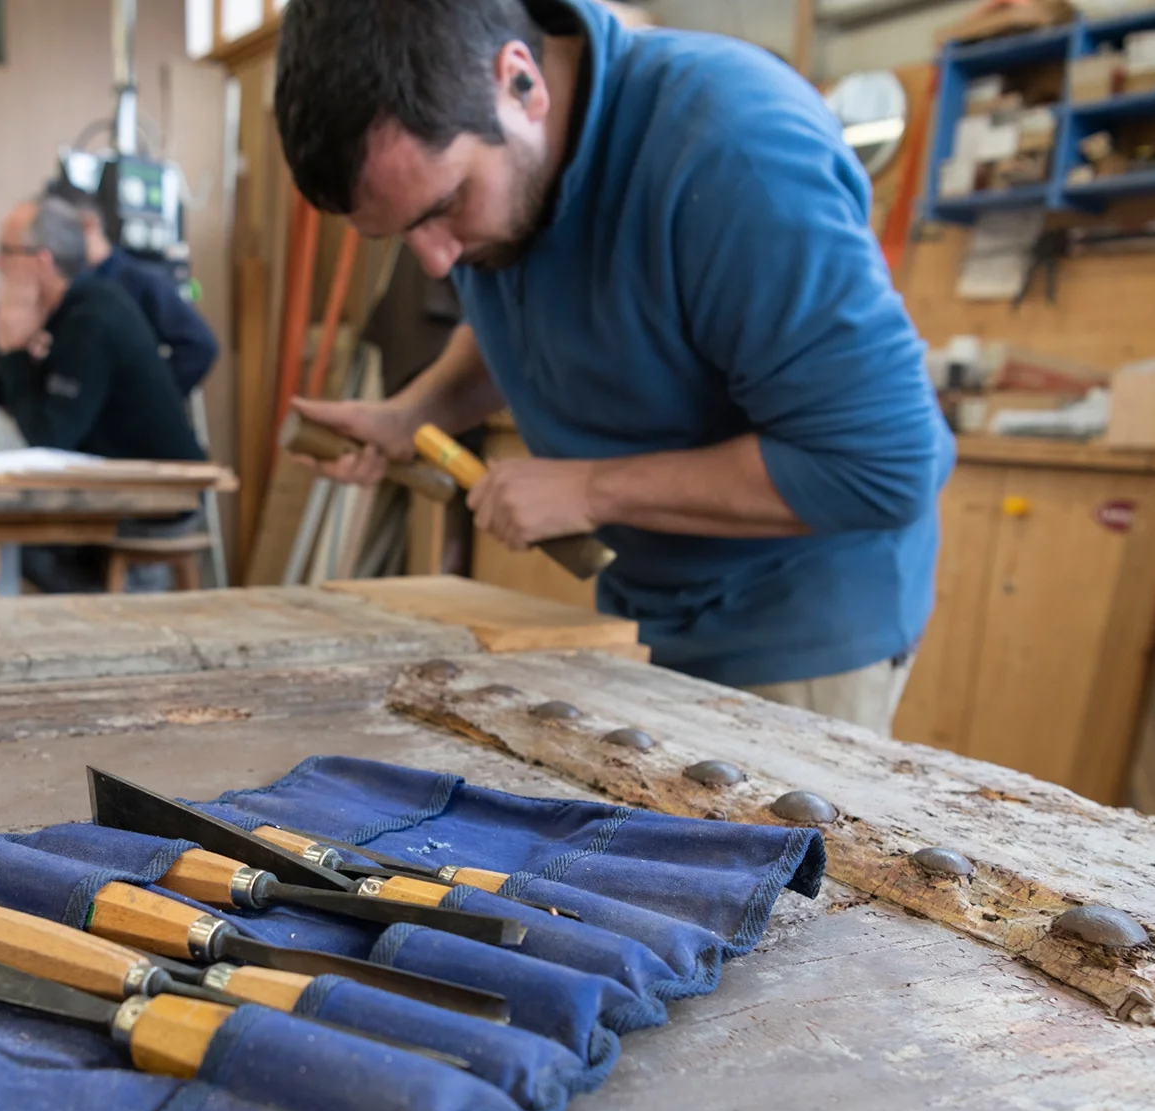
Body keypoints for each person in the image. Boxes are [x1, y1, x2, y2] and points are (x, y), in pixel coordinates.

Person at [273, 0, 952, 735]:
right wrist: (414, 415)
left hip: (797, 629)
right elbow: (520, 312)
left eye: (444, 207)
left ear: (520, 82)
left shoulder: (735, 151)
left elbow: (882, 466)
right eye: (402, 232)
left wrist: (592, 488)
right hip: (642, 606)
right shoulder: (494, 183)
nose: (436, 259)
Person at [0, 197, 205, 592]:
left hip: (157, 503)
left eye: (7, 252)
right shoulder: (77, 307)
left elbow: (47, 433)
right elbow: (31, 396)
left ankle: (93, 622)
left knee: (2, 537)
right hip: (123, 491)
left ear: (43, 260)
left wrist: (14, 352)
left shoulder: (91, 319)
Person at [52, 181, 219, 396]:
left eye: (54, 233)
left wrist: (146, 400)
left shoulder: (141, 282)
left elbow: (200, 347)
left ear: (87, 224)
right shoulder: (68, 287)